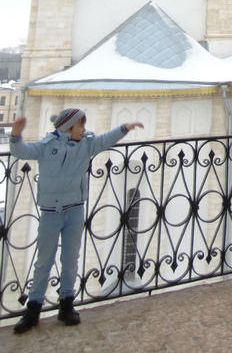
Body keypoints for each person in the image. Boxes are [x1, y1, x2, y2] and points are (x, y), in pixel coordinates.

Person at [9, 108, 144, 334]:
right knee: (44, 261)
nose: (83, 129)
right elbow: (21, 151)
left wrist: (125, 128)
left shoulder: (85, 144)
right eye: (80, 125)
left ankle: (66, 304)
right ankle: (33, 310)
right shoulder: (47, 146)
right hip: (51, 211)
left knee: (71, 258)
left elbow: (104, 141)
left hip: (75, 209)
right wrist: (15, 134)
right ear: (67, 127)